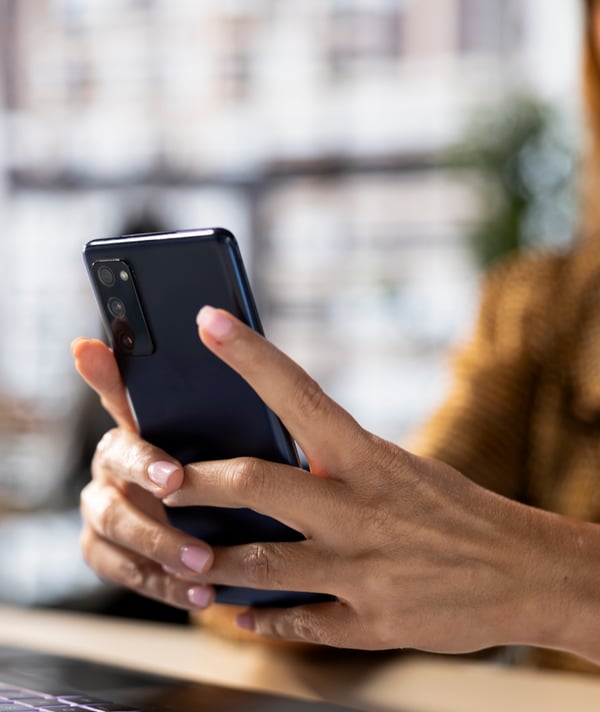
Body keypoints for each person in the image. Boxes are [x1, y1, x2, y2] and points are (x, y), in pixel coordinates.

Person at [70, 2, 600, 665]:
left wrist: (556, 581)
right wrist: (214, 541)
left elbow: (490, 564)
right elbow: (387, 582)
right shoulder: (542, 306)